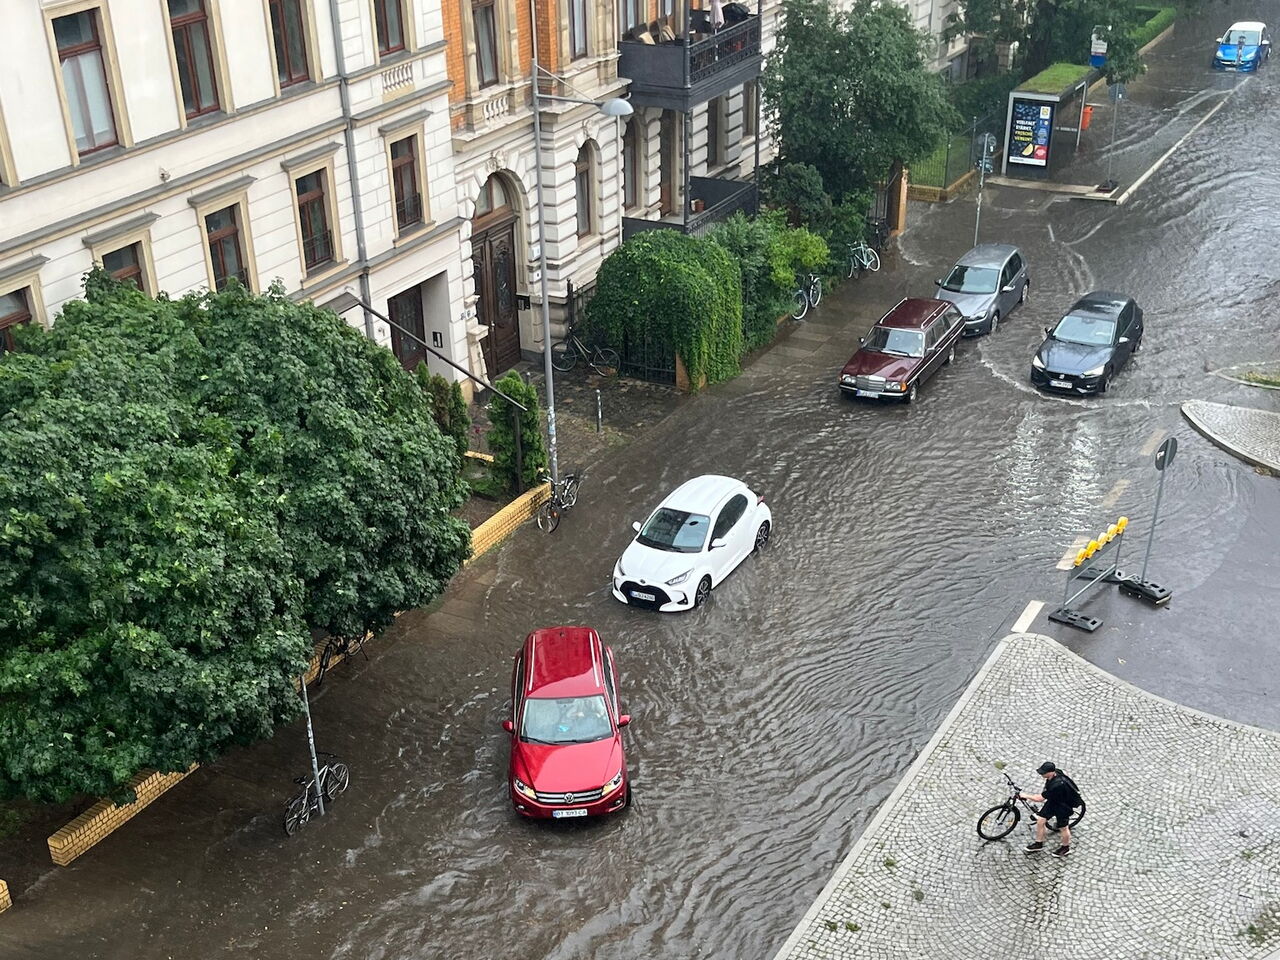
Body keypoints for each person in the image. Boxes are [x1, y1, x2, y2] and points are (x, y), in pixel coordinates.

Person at [1019, 761, 1081, 858]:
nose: (1042, 774)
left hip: (1063, 806)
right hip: (1053, 802)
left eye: (1044, 773)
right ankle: (1038, 844)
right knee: (1040, 821)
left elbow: (1039, 799)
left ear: (1051, 772)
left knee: (1063, 828)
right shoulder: (1057, 772)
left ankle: (1065, 848)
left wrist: (1025, 795)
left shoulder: (1056, 786)